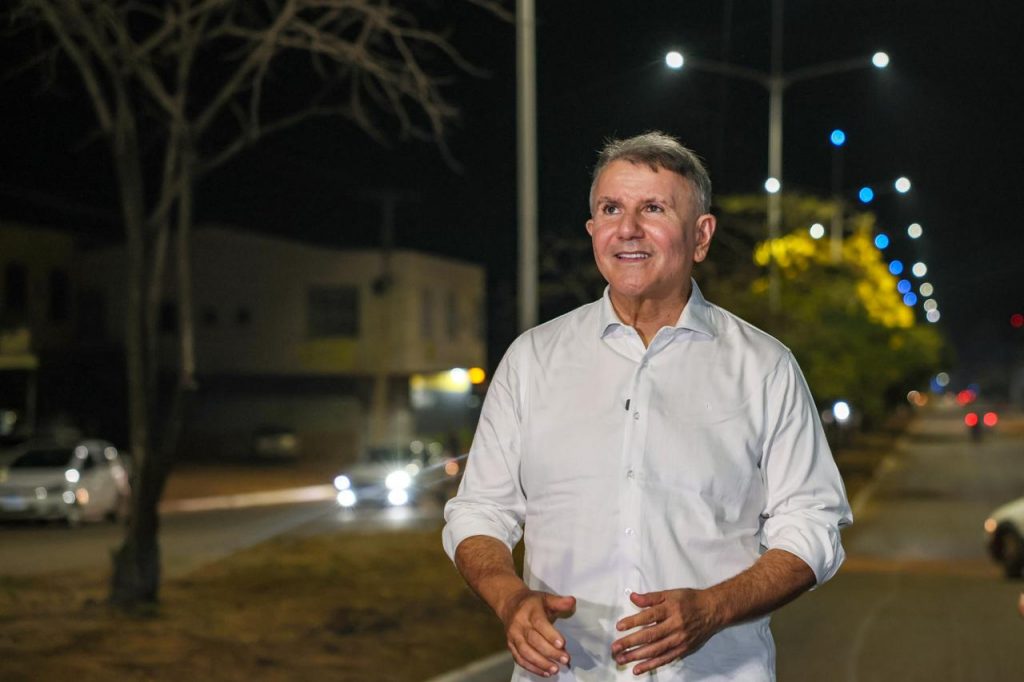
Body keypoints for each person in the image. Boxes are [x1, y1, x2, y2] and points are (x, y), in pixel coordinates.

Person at [442, 131, 852, 680]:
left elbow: (813, 523)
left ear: (701, 236)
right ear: (593, 232)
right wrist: (510, 598)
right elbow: (479, 510)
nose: (627, 229)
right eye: (611, 209)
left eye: (653, 208)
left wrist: (714, 609)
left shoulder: (764, 367)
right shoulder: (533, 360)